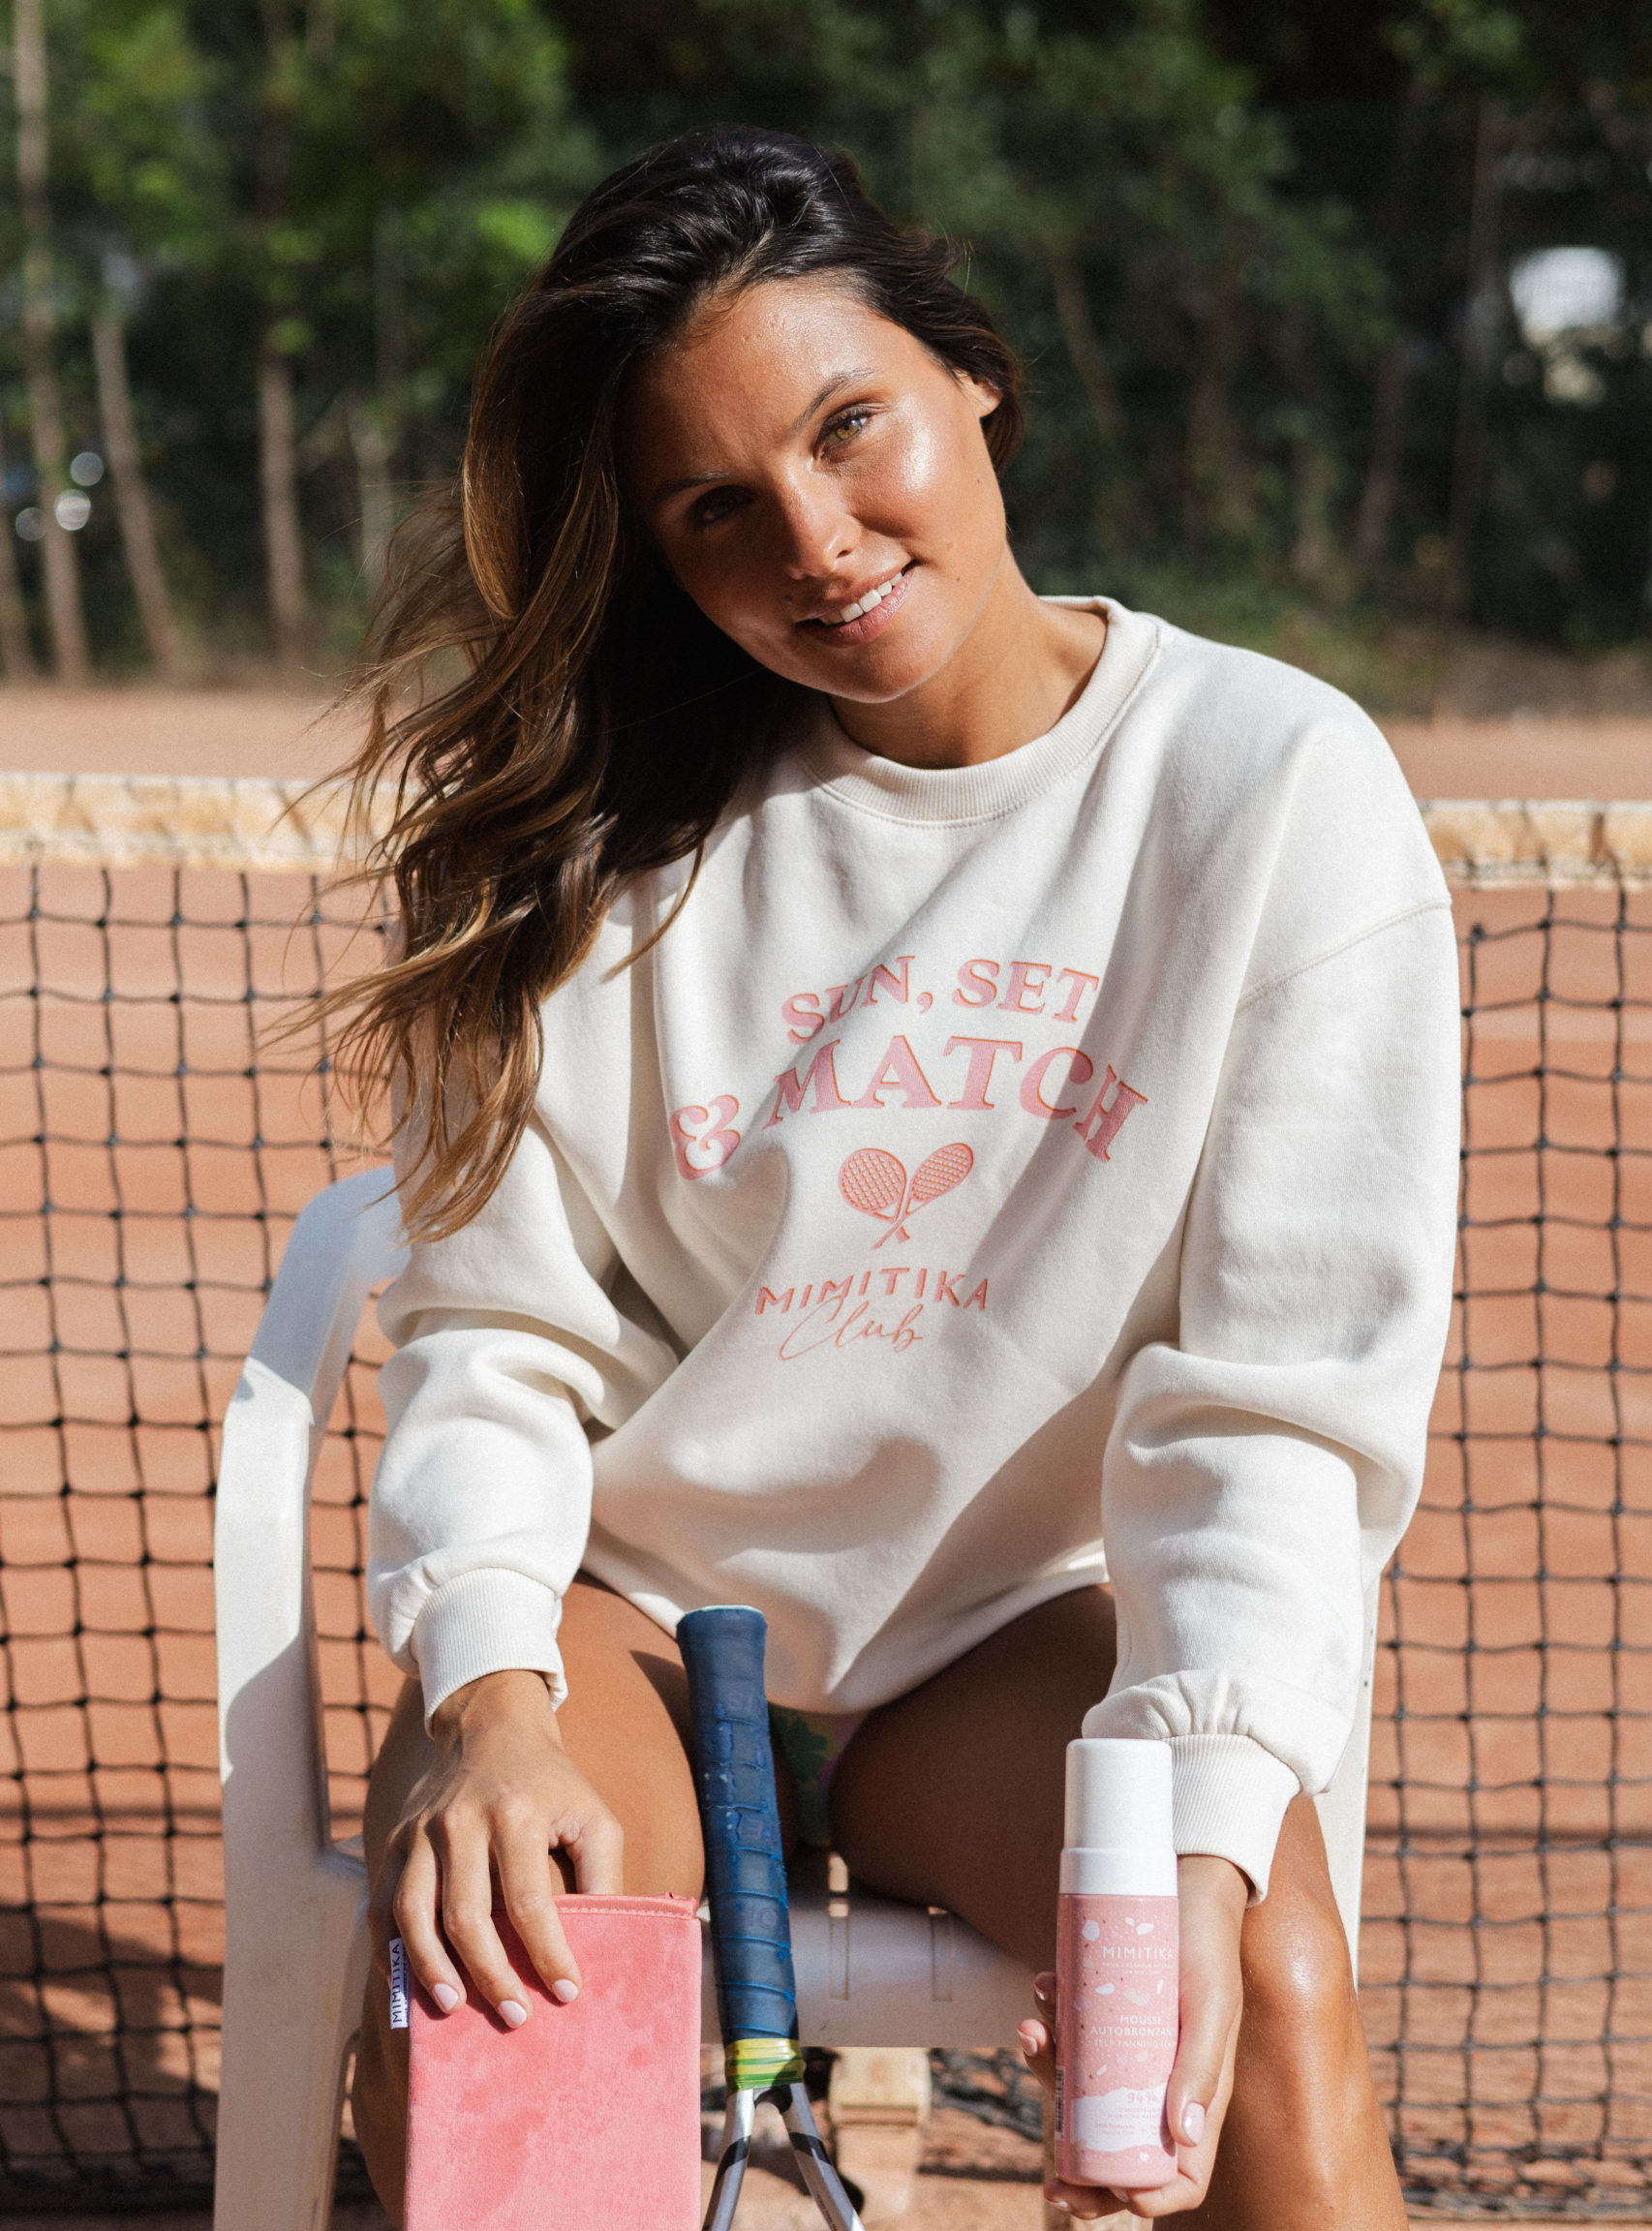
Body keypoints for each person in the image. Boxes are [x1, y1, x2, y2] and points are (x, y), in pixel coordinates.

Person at [337, 125, 1459, 2226]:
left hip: (1007, 1653)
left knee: (1279, 1991)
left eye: (854, 429)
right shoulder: (606, 843)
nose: (818, 541)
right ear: (662, 557)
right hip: (650, 1629)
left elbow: (1285, 1411)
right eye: (715, 510)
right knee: (504, 1963)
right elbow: (492, 1331)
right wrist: (483, 1694)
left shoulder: (1272, 785)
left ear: (973, 376)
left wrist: (1208, 1838)